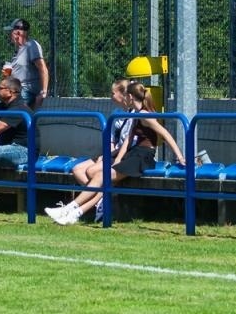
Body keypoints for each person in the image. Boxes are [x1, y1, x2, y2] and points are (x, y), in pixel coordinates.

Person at [47, 79, 184, 224]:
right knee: (103, 178)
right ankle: (74, 214)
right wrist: (117, 161)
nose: (124, 99)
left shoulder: (144, 114)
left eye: (126, 96)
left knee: (101, 176)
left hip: (142, 157)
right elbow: (127, 141)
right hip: (134, 153)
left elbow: (165, 134)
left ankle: (68, 209)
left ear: (130, 97)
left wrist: (180, 157)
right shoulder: (136, 114)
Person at [5, 18, 49, 108]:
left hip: (26, 91)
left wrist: (43, 92)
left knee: (5, 108)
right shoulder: (17, 52)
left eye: (11, 32)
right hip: (16, 90)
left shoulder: (31, 45)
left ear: (18, 33)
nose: (9, 35)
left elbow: (42, 67)